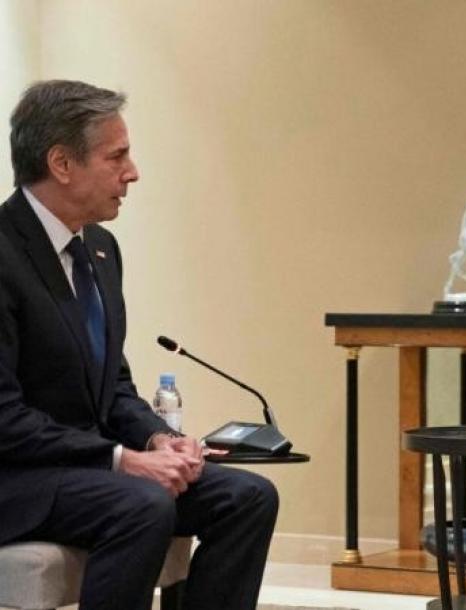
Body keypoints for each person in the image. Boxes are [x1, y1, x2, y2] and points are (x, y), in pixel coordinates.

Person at [0, 80, 279, 610]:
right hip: (18, 479)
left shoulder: (100, 248)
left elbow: (115, 387)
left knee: (248, 497)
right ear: (62, 163)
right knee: (143, 502)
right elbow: (4, 418)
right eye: (117, 156)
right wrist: (119, 459)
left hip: (84, 471)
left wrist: (157, 440)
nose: (132, 172)